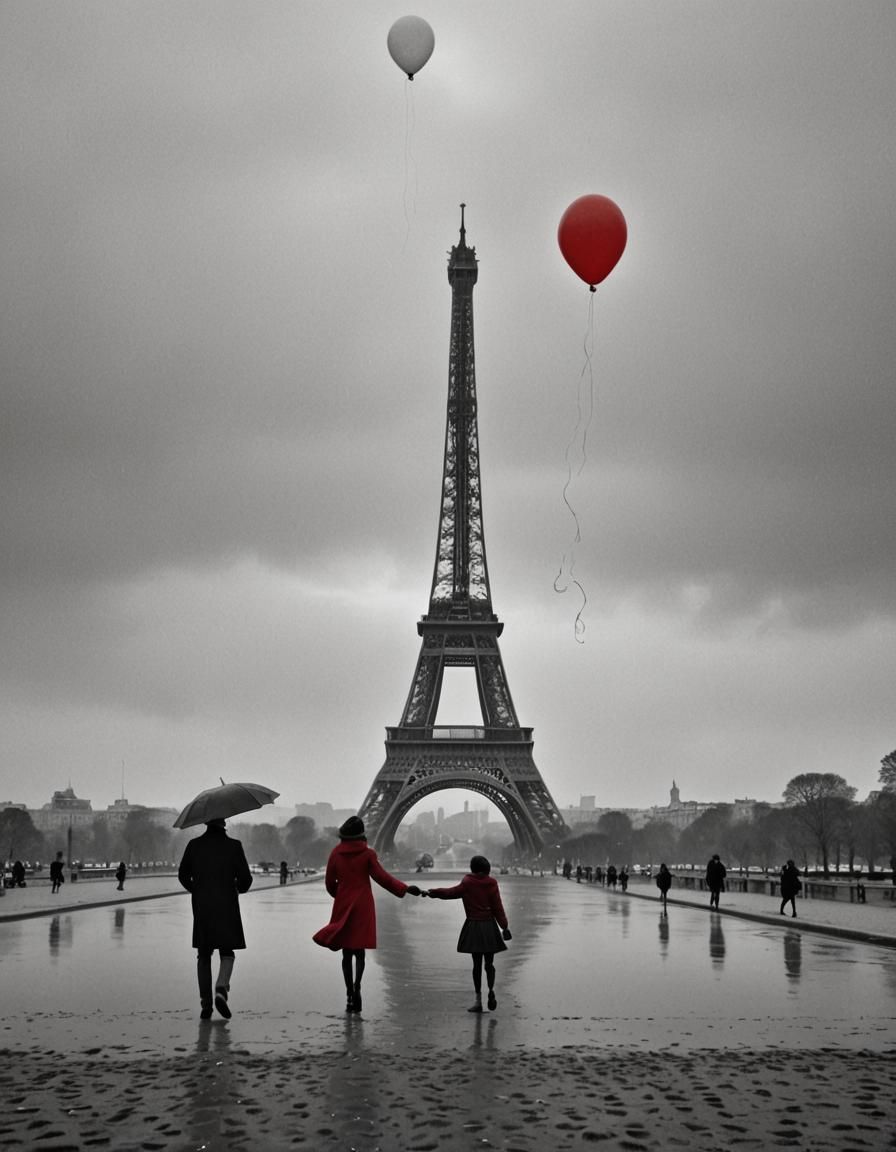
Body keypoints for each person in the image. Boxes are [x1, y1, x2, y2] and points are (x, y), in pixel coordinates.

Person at [312, 816, 422, 1014]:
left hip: (344, 902)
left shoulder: (335, 853)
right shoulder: (368, 854)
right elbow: (382, 877)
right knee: (359, 951)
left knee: (346, 953)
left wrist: (341, 895)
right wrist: (404, 889)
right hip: (363, 904)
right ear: (361, 834)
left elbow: (329, 883)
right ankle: (357, 987)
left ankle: (348, 994)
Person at [178, 818, 252, 1020]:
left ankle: (206, 1005)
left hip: (202, 905)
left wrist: (197, 890)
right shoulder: (234, 846)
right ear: (224, 824)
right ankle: (221, 987)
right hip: (227, 902)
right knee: (227, 950)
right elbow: (246, 880)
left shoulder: (194, 845)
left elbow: (183, 875)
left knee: (203, 954)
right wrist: (236, 888)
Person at [426, 855, 512, 1014]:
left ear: (472, 868)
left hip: (473, 926)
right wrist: (505, 927)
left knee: (476, 965)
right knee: (489, 964)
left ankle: (478, 1000)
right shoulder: (492, 883)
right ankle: (491, 990)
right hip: (489, 926)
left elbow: (450, 893)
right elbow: (497, 907)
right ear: (487, 869)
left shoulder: (467, 883)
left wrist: (433, 892)